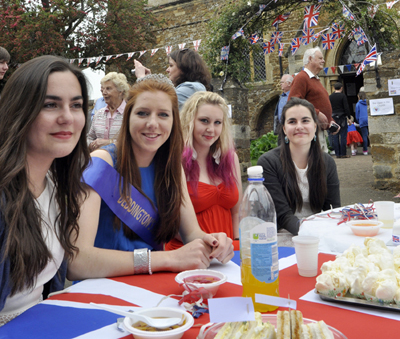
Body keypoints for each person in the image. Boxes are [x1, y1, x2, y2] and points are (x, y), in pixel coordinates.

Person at [68, 75, 233, 281]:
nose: (152, 124)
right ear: (128, 117)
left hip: (150, 285)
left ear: (174, 122)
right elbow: (77, 262)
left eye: (163, 115)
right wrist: (167, 259)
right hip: (99, 290)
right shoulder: (101, 163)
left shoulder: (171, 168)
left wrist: (214, 242)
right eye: (143, 113)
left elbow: (191, 234)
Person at [0, 56, 90, 325]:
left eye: (76, 105)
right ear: (20, 110)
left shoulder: (55, 183)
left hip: (42, 322)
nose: (67, 117)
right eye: (50, 105)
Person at [166, 92, 242, 251]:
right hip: (188, 251)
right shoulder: (174, 161)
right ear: (189, 121)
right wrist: (210, 244)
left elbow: (237, 212)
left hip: (225, 253)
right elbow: (168, 221)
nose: (211, 129)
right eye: (204, 121)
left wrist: (236, 247)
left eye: (217, 122)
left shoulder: (230, 159)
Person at [258, 97, 340, 236]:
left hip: (319, 232)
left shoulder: (327, 162)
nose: (299, 126)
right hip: (282, 234)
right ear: (284, 129)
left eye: (305, 120)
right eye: (292, 122)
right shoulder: (268, 163)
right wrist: (309, 232)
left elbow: (333, 209)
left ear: (315, 126)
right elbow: (282, 215)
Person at [288, 47, 333, 152]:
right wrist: (316, 113)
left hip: (318, 129)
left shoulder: (315, 79)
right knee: (313, 162)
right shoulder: (301, 77)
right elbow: (293, 101)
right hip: (309, 130)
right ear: (310, 59)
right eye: (320, 58)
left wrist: (330, 121)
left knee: (321, 162)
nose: (323, 60)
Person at [134, 48, 212, 109]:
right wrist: (149, 80)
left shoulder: (191, 88)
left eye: (171, 65)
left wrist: (142, 78)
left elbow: (158, 104)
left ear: (183, 68)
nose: (167, 70)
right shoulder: (192, 87)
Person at [87, 72, 130, 152]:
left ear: (120, 91)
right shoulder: (99, 114)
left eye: (108, 89)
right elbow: (89, 138)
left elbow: (133, 143)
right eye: (103, 89)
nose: (104, 92)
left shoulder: (130, 114)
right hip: (100, 161)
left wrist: (109, 143)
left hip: (122, 162)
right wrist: (92, 144)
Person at [329, 82, 351, 158]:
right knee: (343, 136)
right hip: (342, 118)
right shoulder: (343, 96)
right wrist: (349, 117)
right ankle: (343, 153)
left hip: (333, 118)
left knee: (335, 136)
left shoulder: (330, 97)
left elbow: (329, 108)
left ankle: (337, 154)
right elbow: (346, 108)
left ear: (334, 88)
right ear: (341, 88)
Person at [355, 90, 369, 155]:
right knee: (370, 135)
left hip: (362, 120)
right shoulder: (368, 103)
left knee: (364, 136)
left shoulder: (358, 104)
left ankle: (365, 150)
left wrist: (359, 120)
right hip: (369, 120)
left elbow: (357, 114)